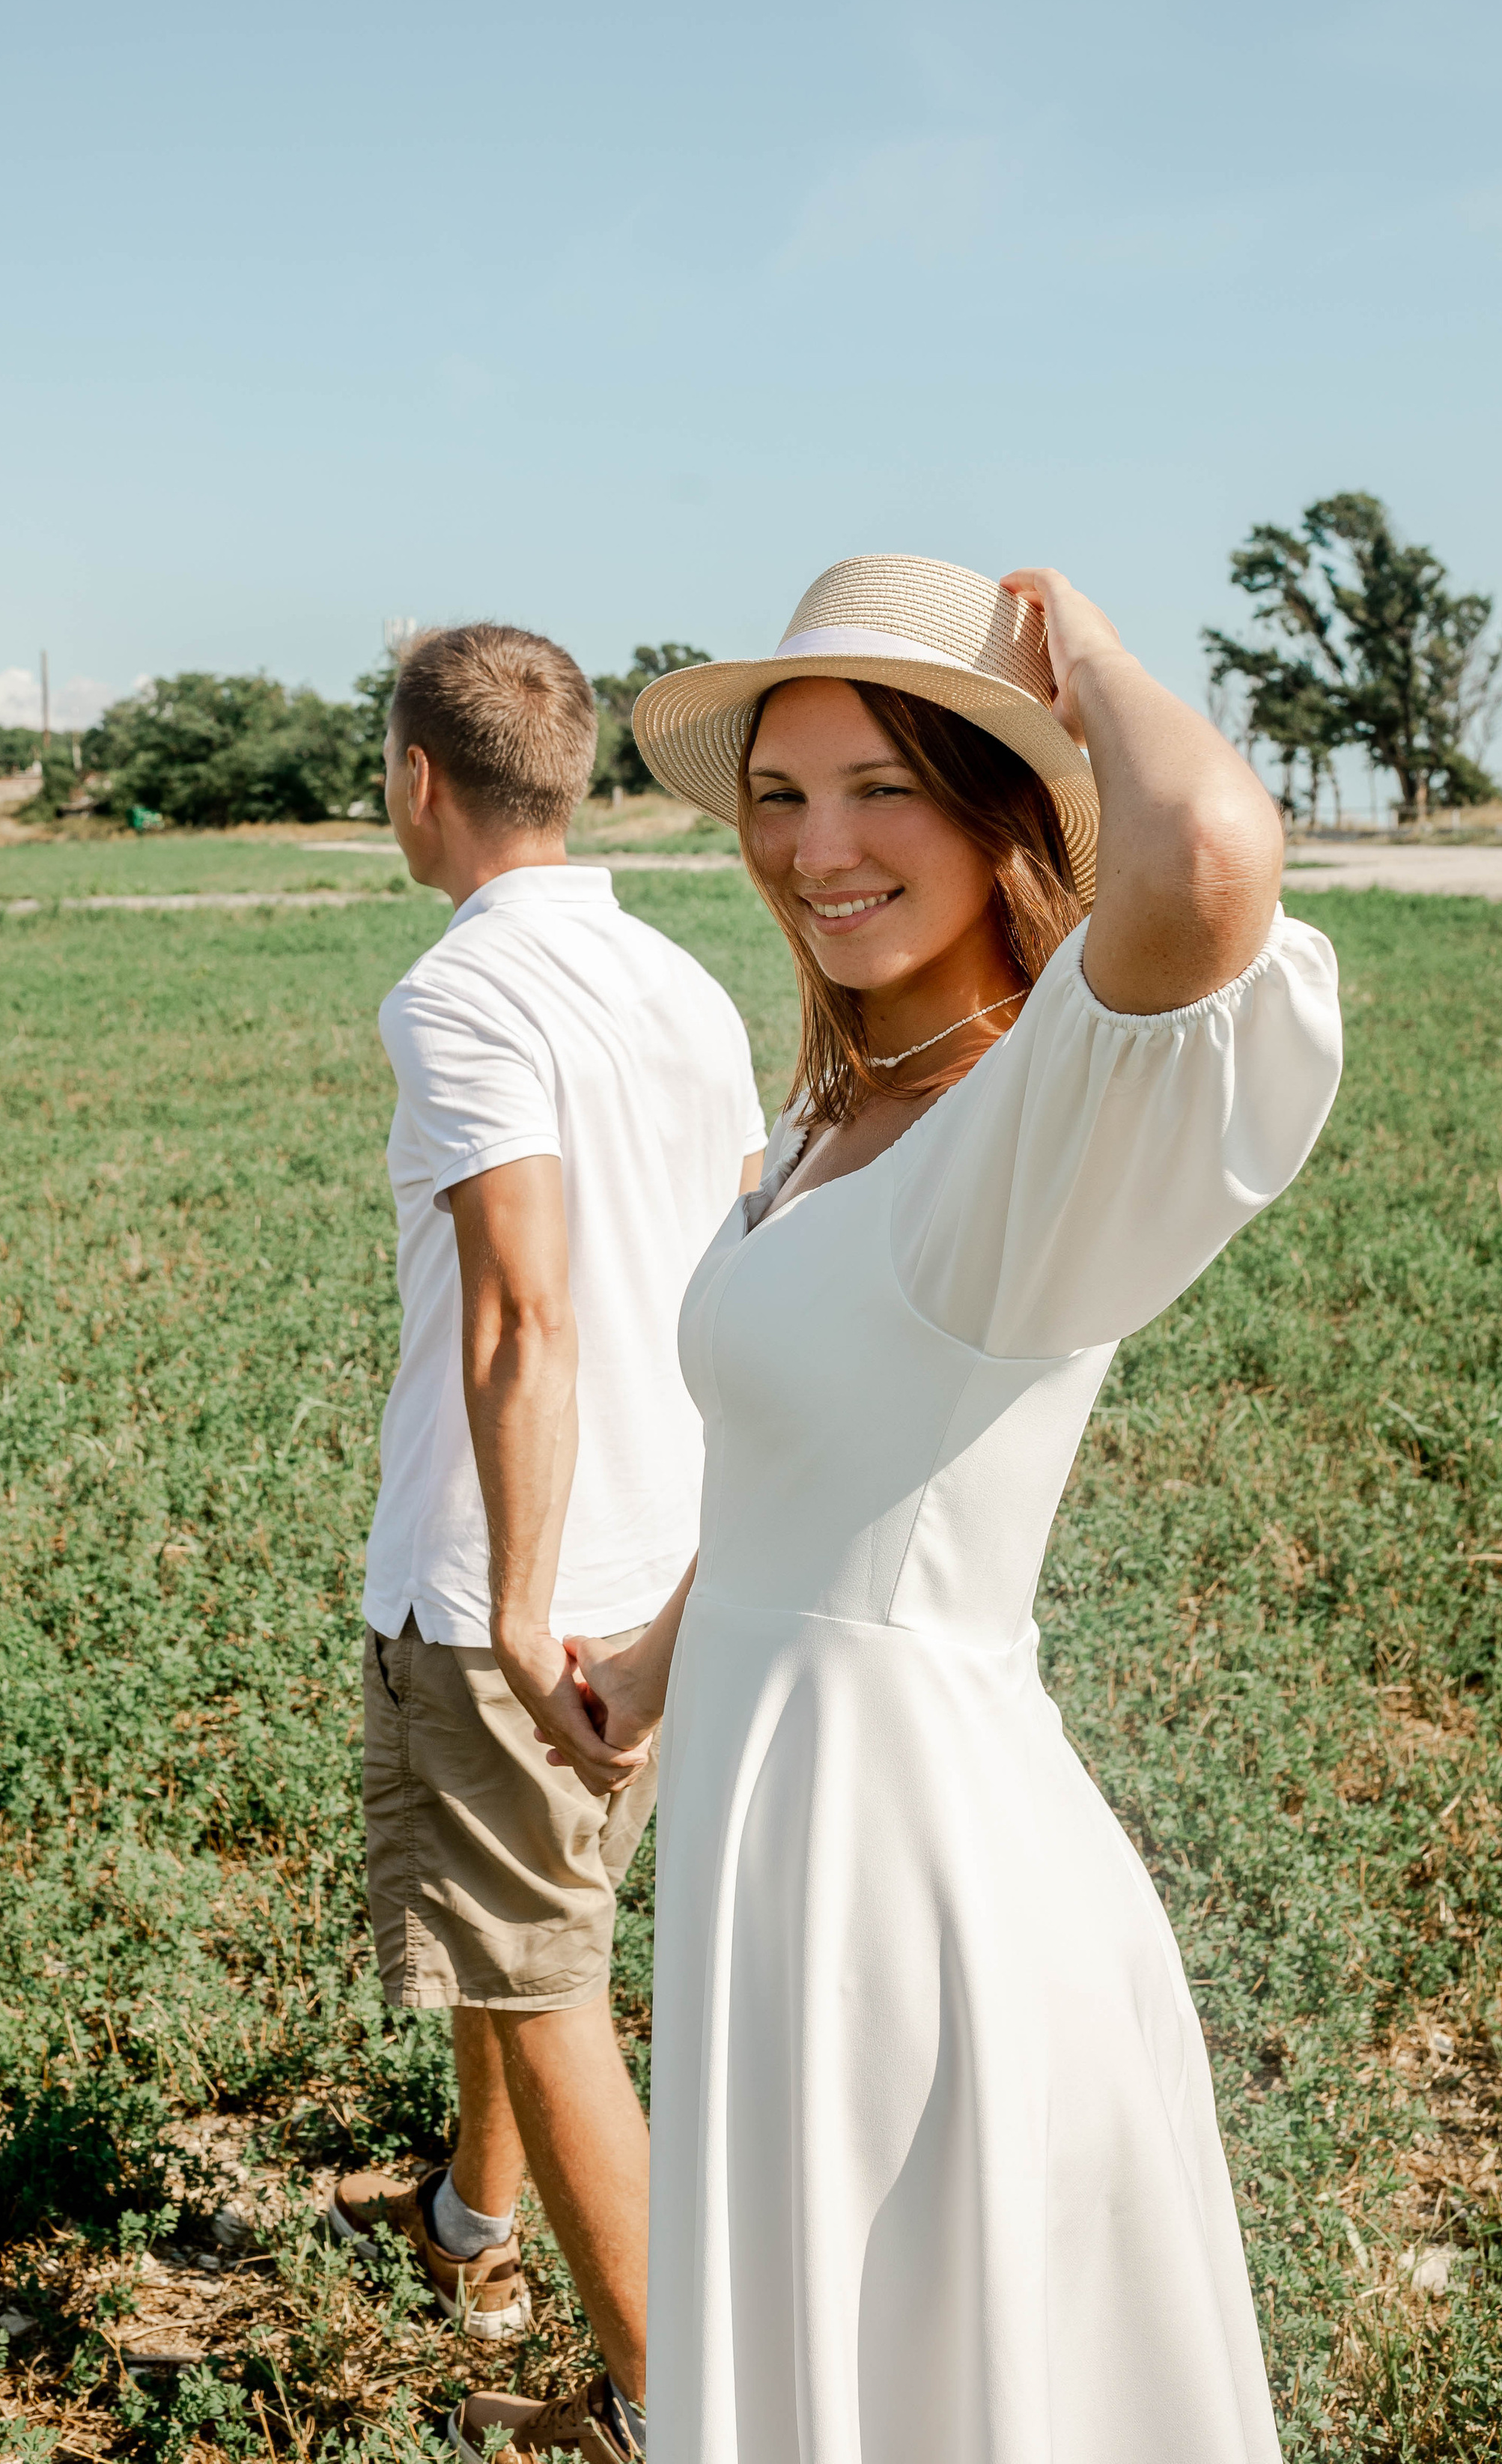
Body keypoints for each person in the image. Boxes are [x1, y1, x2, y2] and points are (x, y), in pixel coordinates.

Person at [548, 556, 1342, 2464]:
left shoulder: (1029, 1111)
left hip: (906, 1866)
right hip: (776, 1819)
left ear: (1006, 812)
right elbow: (806, 1463)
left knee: (926, 2379)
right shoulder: (838, 1110)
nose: (816, 847)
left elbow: (1213, 864)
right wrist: (652, 1668)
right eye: (779, 794)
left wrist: (1091, 664)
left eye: (881, 787)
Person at [325, 622, 767, 2464]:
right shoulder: (680, 980)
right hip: (670, 1562)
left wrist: (509, 1601)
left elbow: (520, 1313)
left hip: (515, 1578)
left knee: (543, 1975)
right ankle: (471, 2225)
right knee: (528, 1928)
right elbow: (748, 1259)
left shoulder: (454, 994)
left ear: (419, 781)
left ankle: (671, 2407)